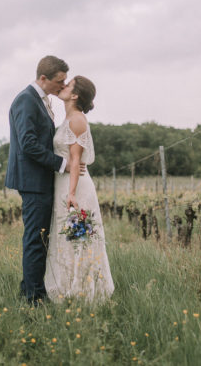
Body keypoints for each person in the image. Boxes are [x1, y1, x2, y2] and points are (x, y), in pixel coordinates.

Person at [6, 55, 77, 305]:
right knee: (36, 239)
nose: (63, 85)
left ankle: (30, 288)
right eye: (60, 80)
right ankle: (33, 298)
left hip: (38, 180)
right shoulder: (26, 100)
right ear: (44, 78)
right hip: (33, 181)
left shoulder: (40, 100)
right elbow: (28, 144)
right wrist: (62, 163)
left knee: (39, 237)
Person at [45, 75, 114, 303]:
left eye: (69, 84)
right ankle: (68, 289)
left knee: (78, 238)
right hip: (64, 183)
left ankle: (84, 293)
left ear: (74, 95)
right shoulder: (68, 118)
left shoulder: (77, 120)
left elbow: (75, 160)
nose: (63, 86)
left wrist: (72, 194)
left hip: (74, 187)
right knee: (67, 238)